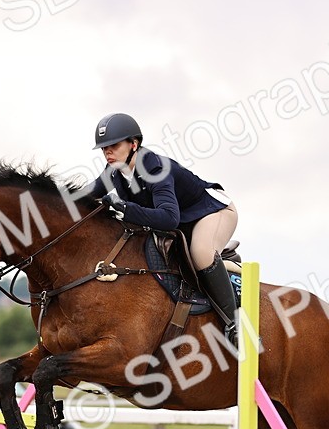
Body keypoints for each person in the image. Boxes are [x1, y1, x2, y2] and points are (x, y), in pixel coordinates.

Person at [84, 112, 240, 346]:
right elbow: (81, 198)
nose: (108, 152)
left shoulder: (155, 170)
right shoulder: (113, 172)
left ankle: (234, 325)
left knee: (200, 252)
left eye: (114, 146)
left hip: (212, 211)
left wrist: (126, 209)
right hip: (183, 222)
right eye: (104, 148)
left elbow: (168, 218)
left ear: (134, 144)